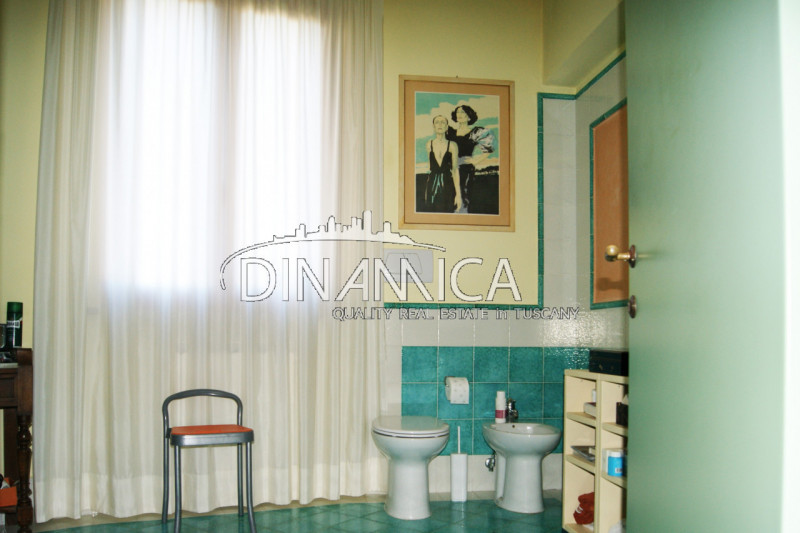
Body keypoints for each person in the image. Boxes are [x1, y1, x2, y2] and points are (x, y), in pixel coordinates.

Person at [446, 104, 495, 212]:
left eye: (462, 112)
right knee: (450, 198)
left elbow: (489, 149)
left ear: (469, 116)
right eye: (458, 112)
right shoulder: (450, 132)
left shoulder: (475, 133)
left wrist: (475, 161)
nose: (459, 114)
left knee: (463, 197)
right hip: (450, 170)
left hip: (465, 170)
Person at [422, 115, 462, 213]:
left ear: (447, 126)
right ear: (433, 126)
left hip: (448, 184)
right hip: (432, 184)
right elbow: (430, 167)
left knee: (448, 211)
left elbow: (455, 170)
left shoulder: (452, 145)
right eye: (437, 122)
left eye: (443, 122)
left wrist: (458, 195)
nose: (440, 124)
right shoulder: (429, 144)